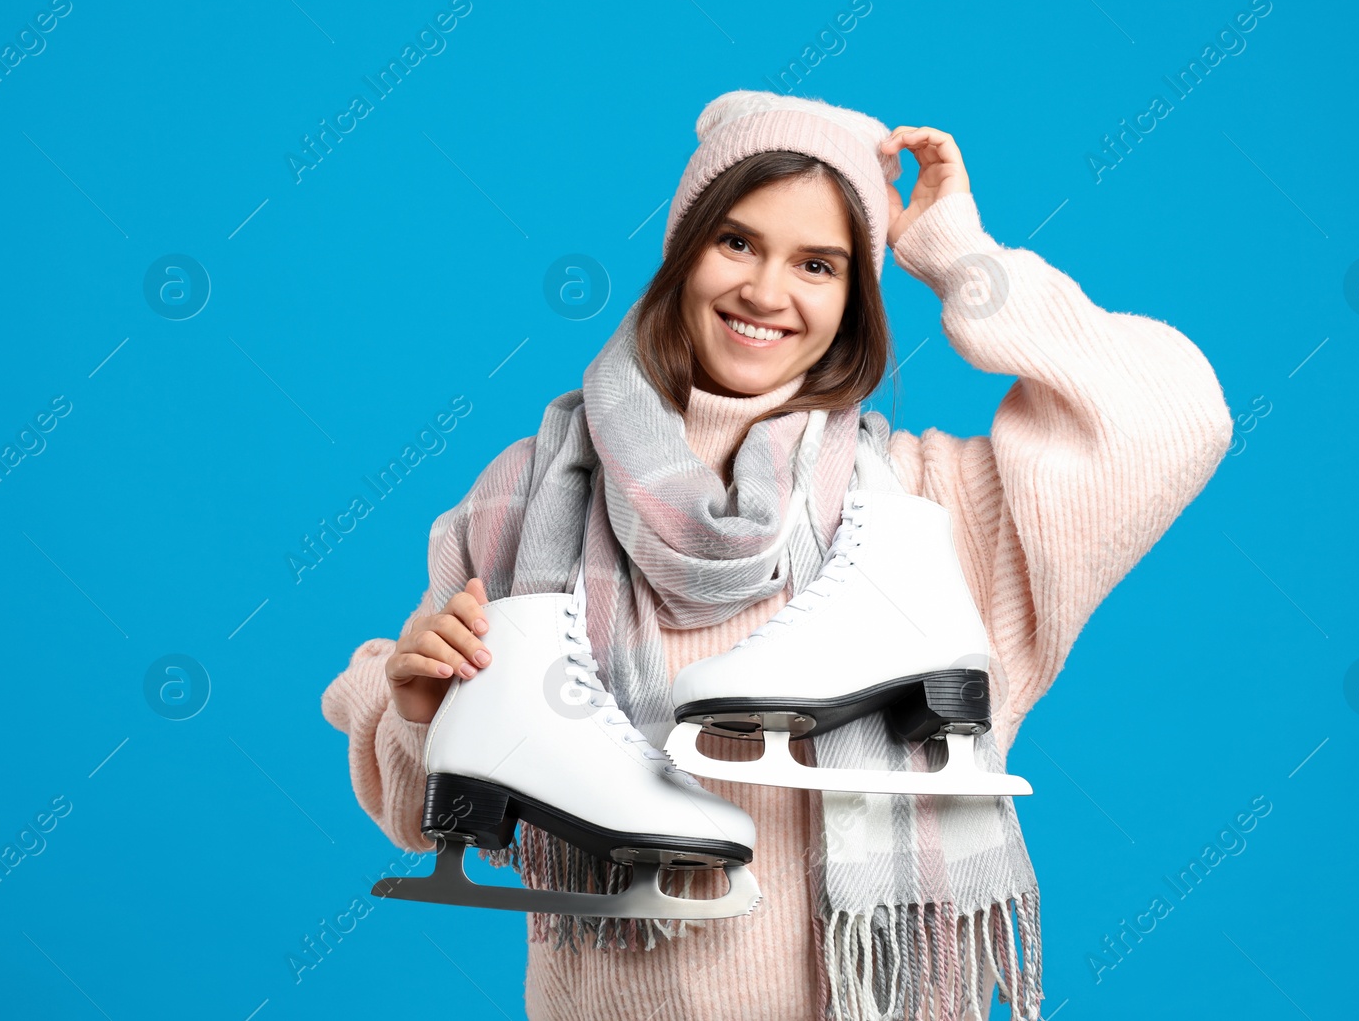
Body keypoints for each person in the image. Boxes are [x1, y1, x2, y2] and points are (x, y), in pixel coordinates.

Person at [322, 89, 1234, 1021]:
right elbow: (416, 806)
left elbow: (1170, 418)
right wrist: (420, 712)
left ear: (856, 296)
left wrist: (964, 257)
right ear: (683, 254)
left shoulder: (929, 505)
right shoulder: (530, 497)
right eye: (737, 242)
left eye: (818, 263)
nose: (766, 291)